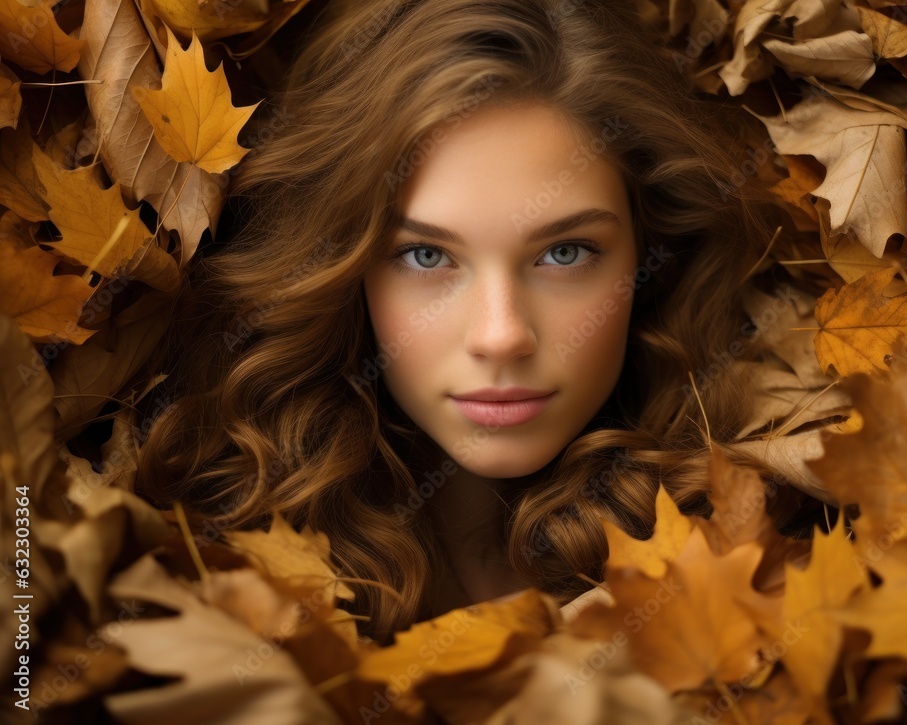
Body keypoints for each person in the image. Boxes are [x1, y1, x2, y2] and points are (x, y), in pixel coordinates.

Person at [136, 0, 793, 646]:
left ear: (648, 257)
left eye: (564, 253)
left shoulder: (773, 550)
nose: (501, 334)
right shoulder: (192, 574)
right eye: (427, 256)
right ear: (341, 269)